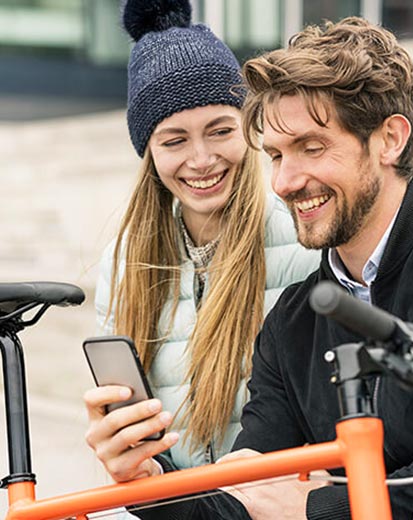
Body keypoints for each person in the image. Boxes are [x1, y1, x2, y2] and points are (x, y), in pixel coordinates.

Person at [130, 15, 413, 520]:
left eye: (311, 148)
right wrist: (151, 484)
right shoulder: (292, 320)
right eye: (274, 155)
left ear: (390, 139)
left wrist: (324, 506)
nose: (286, 181)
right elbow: (249, 502)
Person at [83, 0, 319, 487]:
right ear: (147, 152)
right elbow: (133, 443)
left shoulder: (306, 239)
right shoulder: (123, 264)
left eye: (220, 130)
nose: (202, 159)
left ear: (248, 129)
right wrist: (128, 458)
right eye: (173, 141)